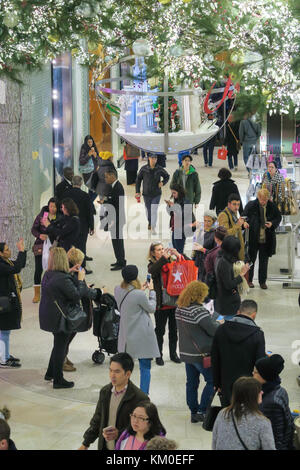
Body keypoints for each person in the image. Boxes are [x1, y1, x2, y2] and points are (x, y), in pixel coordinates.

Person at [39, 247, 87, 389]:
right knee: (61, 347)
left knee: (58, 345)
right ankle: (58, 380)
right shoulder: (62, 279)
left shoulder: (48, 274)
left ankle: (50, 373)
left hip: (49, 315)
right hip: (60, 318)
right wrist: (80, 280)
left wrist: (70, 271)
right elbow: (76, 295)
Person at [79, 353, 149, 450]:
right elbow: (97, 419)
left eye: (117, 371)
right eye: (110, 371)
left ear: (128, 374)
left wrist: (120, 434)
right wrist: (85, 444)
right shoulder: (105, 392)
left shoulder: (140, 398)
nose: (112, 375)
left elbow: (144, 430)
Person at [175, 281, 220, 423]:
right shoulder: (198, 311)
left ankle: (193, 411)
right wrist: (217, 320)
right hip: (201, 354)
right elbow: (212, 330)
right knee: (212, 381)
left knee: (191, 383)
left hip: (186, 353)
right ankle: (202, 410)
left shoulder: (179, 309)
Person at [114, 265, 160, 395]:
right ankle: (143, 396)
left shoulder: (118, 289)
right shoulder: (139, 294)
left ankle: (122, 392)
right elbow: (151, 308)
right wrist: (151, 292)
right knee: (145, 368)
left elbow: (130, 301)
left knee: (124, 368)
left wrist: (140, 289)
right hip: (142, 335)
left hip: (126, 336)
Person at [211, 299, 266, 407]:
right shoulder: (257, 335)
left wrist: (217, 383)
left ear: (238, 312)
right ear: (254, 315)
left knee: (227, 414)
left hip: (225, 382)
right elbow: (260, 364)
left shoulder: (221, 329)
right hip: (247, 386)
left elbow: (215, 358)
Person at [65, 247, 103, 372]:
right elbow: (82, 292)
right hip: (76, 309)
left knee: (69, 334)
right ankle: (62, 359)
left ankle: (63, 357)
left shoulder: (71, 272)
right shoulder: (77, 274)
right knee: (68, 335)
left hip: (72, 308)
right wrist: (99, 292)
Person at [212, 376, 276, 450]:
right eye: (259, 391)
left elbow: (215, 442)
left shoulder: (223, 413)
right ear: (252, 396)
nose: (262, 392)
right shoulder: (262, 422)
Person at [148, 242, 181, 366]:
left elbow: (187, 264)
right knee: (160, 331)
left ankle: (173, 354)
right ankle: (158, 355)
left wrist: (177, 255)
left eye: (162, 249)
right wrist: (163, 259)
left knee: (174, 331)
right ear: (153, 253)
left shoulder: (171, 262)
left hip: (174, 303)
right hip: (161, 305)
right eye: (158, 250)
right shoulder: (152, 265)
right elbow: (152, 272)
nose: (162, 251)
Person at [242, 188, 282, 289]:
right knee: (251, 260)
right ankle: (249, 280)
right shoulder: (251, 205)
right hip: (253, 237)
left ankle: (262, 282)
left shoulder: (272, 206)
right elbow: (243, 217)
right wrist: (244, 222)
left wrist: (272, 223)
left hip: (266, 238)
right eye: (261, 199)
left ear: (268, 198)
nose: (263, 202)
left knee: (264, 261)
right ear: (258, 197)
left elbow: (278, 217)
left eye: (265, 199)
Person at [253, 354, 295, 450]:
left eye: (255, 372)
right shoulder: (280, 390)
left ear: (264, 375)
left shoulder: (270, 402)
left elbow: (275, 437)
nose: (252, 373)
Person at [0, 239, 26, 368]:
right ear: (0, 253)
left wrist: (23, 252)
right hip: (3, 304)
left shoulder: (6, 262)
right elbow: (16, 268)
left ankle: (4, 355)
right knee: (4, 331)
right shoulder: (1, 265)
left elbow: (19, 265)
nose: (9, 251)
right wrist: (20, 251)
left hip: (6, 302)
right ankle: (3, 359)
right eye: (6, 250)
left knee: (5, 331)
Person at [64, 175, 96, 271]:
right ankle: (82, 268)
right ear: (81, 183)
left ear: (72, 183)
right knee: (81, 246)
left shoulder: (66, 194)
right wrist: (92, 226)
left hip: (68, 224)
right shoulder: (85, 196)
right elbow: (89, 212)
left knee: (69, 245)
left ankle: (69, 265)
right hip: (82, 225)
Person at [31, 197, 59, 303]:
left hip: (54, 247)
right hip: (40, 246)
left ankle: (52, 292)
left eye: (55, 206)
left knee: (53, 270)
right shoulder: (42, 215)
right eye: (51, 206)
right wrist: (39, 235)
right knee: (38, 269)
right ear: (48, 206)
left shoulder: (60, 217)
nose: (52, 208)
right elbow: (33, 229)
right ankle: (37, 293)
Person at [215, 236, 249, 319]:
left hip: (225, 300)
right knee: (227, 323)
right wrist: (241, 274)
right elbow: (229, 284)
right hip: (227, 303)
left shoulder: (223, 258)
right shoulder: (224, 263)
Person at [135, 154, 169, 234]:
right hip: (146, 193)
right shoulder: (143, 169)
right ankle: (150, 222)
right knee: (148, 210)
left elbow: (167, 176)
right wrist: (137, 191)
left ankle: (153, 226)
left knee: (154, 210)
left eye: (155, 158)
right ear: (149, 158)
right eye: (152, 158)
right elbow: (138, 180)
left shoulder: (159, 169)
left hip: (156, 193)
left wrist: (163, 182)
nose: (154, 160)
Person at [101, 169, 126, 271]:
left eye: (107, 177)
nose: (106, 179)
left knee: (118, 242)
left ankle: (121, 262)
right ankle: (119, 260)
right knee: (115, 241)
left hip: (116, 219)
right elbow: (112, 200)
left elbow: (118, 206)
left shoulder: (118, 188)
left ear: (113, 176)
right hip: (113, 219)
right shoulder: (113, 186)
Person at [166, 184, 195, 255]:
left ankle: (181, 265)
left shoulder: (186, 201)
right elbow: (171, 213)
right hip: (175, 227)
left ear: (179, 192)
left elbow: (184, 215)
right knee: (175, 249)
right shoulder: (177, 200)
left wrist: (174, 206)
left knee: (179, 251)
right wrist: (169, 206)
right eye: (172, 193)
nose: (173, 195)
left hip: (181, 229)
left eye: (174, 193)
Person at [217, 193, 247, 261]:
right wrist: (238, 225)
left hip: (235, 249)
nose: (236, 207)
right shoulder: (224, 215)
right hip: (229, 253)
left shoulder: (233, 213)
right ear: (229, 204)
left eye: (238, 204)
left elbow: (234, 226)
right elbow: (224, 234)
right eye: (234, 204)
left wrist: (242, 225)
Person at [192, 210, 217, 281]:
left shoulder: (215, 234)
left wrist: (203, 249)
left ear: (214, 221)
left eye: (209, 221)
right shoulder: (201, 230)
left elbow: (215, 253)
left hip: (207, 264)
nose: (206, 223)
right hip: (199, 262)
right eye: (205, 220)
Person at [79, 135, 99, 202]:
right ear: (86, 142)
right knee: (95, 189)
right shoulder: (84, 148)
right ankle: (89, 203)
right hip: (87, 173)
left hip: (95, 172)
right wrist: (88, 155)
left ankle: (88, 203)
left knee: (93, 190)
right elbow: (81, 161)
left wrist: (96, 156)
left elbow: (98, 160)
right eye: (88, 142)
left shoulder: (94, 147)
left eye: (91, 142)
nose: (90, 144)